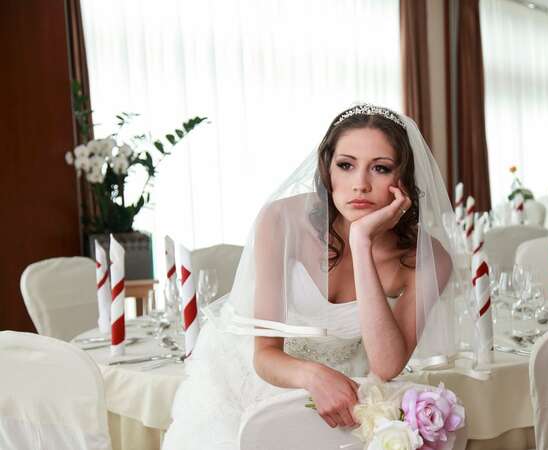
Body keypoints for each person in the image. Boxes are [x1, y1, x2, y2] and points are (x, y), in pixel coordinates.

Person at [163, 104, 458, 449]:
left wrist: (361, 242)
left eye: (380, 168)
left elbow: (387, 364)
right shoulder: (282, 221)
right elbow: (264, 354)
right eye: (346, 165)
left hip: (346, 383)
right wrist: (313, 375)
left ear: (403, 181)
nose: (359, 184)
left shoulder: (429, 259)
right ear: (327, 170)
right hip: (251, 373)